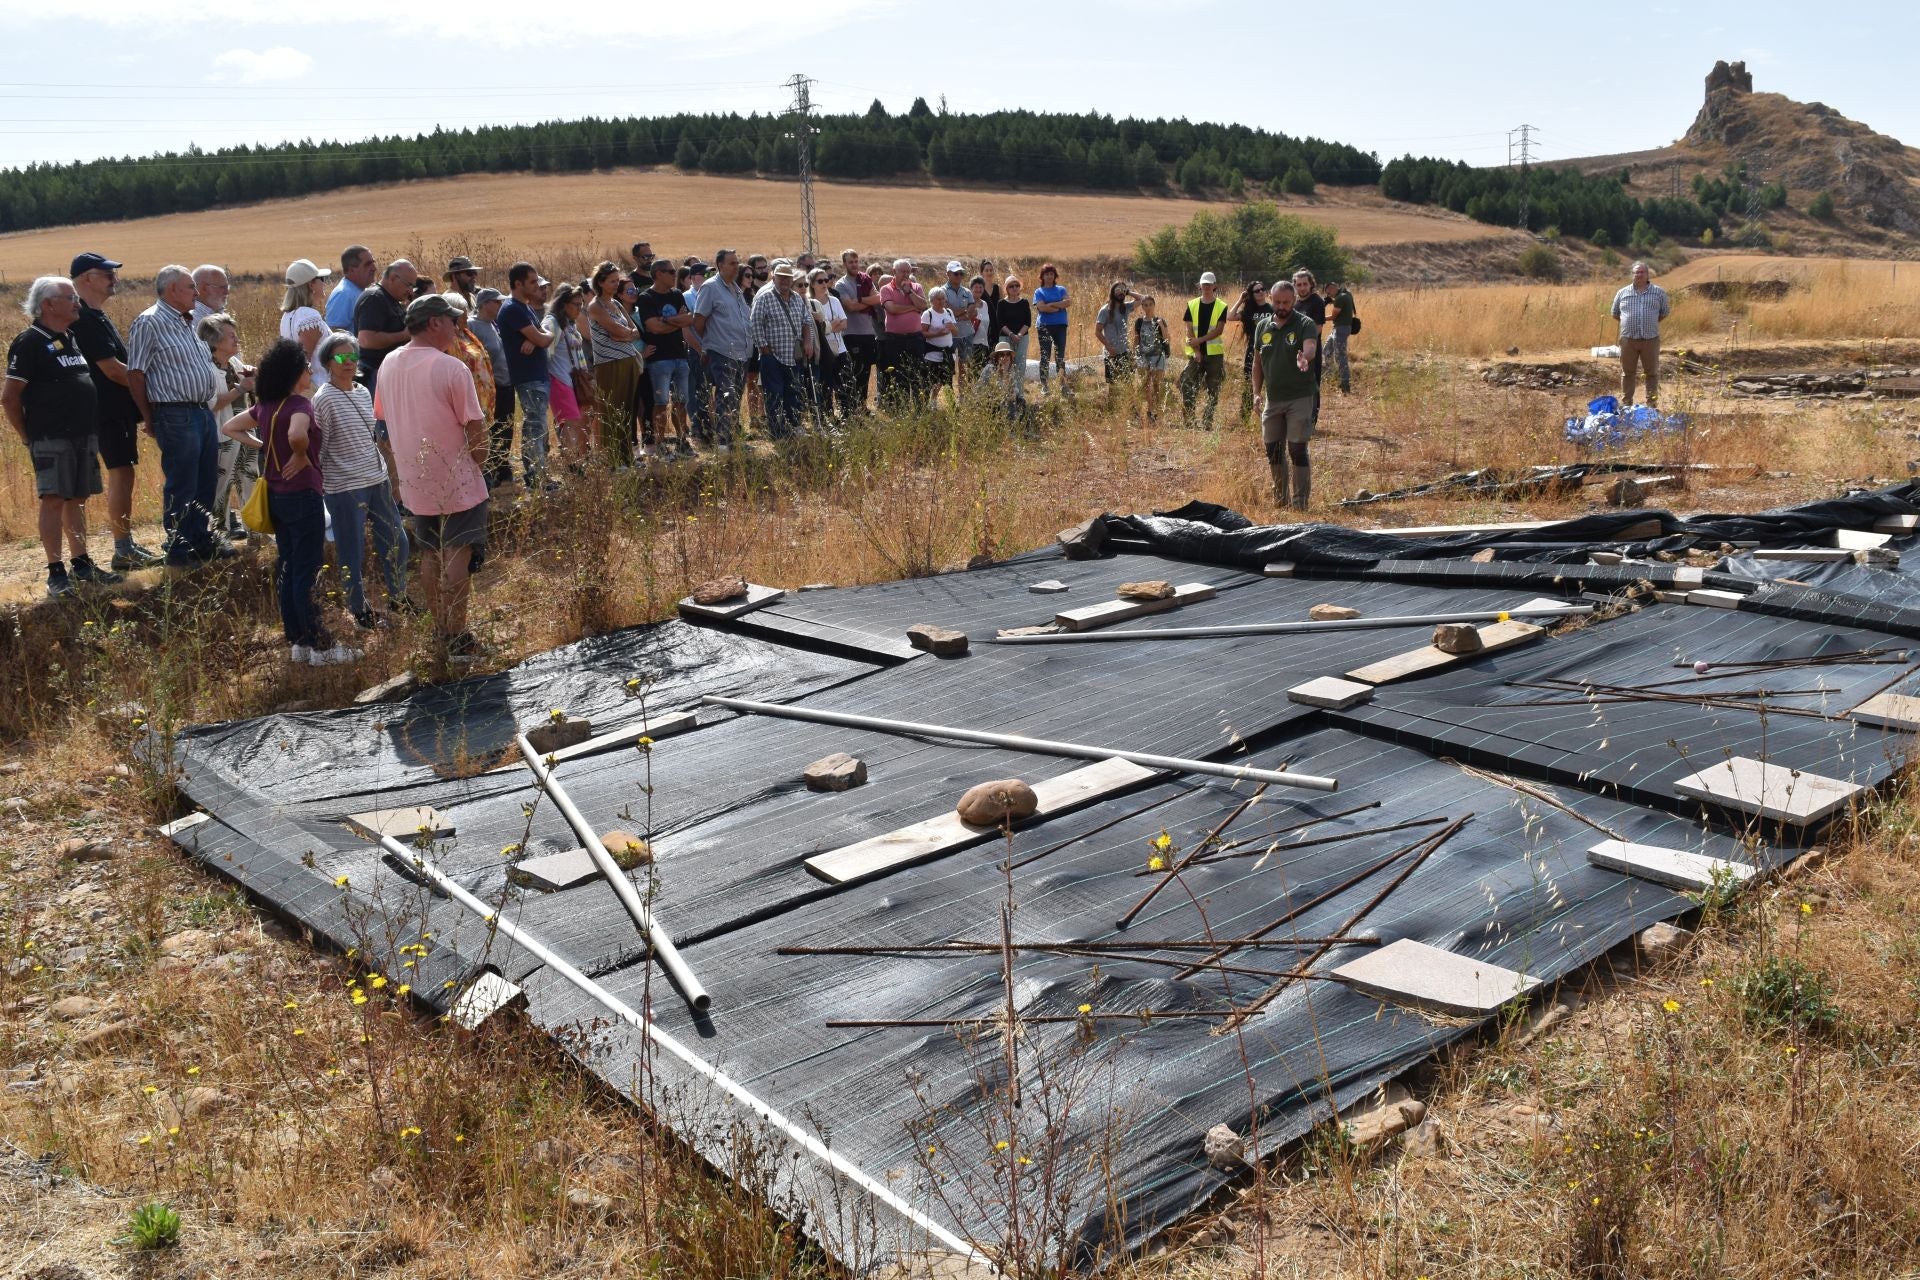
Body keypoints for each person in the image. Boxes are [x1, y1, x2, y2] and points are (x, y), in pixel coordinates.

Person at [221, 339, 357, 666]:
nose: (311, 372)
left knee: (289, 566)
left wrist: (265, 446)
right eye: (307, 367)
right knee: (306, 571)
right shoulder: (299, 405)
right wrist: (298, 454)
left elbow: (230, 426)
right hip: (302, 494)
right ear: (295, 374)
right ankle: (321, 646)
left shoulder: (266, 406)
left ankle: (298, 642)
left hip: (277, 497)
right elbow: (297, 434)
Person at [374, 294, 488, 658]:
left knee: (429, 553)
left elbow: (383, 419)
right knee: (457, 553)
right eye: (452, 320)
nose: (457, 326)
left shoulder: (388, 363)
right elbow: (475, 428)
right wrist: (480, 463)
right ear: (435, 323)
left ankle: (441, 631)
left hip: (414, 478)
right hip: (456, 476)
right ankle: (458, 638)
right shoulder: (451, 368)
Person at [4, 276, 123, 596]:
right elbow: (10, 397)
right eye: (70, 297)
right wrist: (29, 437)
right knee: (54, 499)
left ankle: (82, 564)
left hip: (83, 433)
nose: (77, 302)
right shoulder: (30, 341)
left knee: (78, 498)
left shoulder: (69, 337)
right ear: (48, 305)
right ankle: (56, 573)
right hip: (51, 436)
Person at [127, 264, 227, 566]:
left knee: (205, 480)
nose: (196, 293)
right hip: (175, 412)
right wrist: (149, 416)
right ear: (172, 290)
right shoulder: (149, 322)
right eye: (190, 287)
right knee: (183, 482)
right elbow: (135, 373)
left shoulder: (188, 322)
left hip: (201, 411)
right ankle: (179, 548)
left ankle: (200, 540)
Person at [69, 252, 162, 571]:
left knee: (123, 471)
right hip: (106, 410)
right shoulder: (84, 318)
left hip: (109, 409)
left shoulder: (94, 315)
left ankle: (125, 545)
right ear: (86, 279)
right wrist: (154, 392)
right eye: (107, 274)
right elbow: (113, 369)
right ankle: (123, 548)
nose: (114, 279)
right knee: (121, 472)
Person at [312, 331, 409, 631]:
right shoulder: (323, 399)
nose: (349, 361)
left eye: (353, 355)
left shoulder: (364, 391)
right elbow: (319, 449)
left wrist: (392, 476)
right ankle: (358, 608)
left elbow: (374, 437)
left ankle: (398, 597)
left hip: (377, 478)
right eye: (341, 356)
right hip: (345, 486)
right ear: (328, 362)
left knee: (398, 541)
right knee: (351, 551)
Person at [1250, 280, 1320, 511]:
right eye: (1278, 302)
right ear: (1271, 299)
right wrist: (1256, 393)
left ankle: (1300, 504)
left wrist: (1305, 358)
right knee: (1273, 449)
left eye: (1286, 302)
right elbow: (1257, 363)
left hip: (1299, 397)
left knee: (1297, 449)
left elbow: (1311, 347)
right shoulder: (1262, 327)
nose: (1281, 306)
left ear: (1293, 301)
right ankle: (1281, 500)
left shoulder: (1304, 324)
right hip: (1273, 399)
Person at [196, 312, 259, 541]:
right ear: (214, 340)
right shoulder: (206, 368)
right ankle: (218, 538)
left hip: (245, 431)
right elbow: (211, 404)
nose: (236, 339)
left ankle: (256, 532)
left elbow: (249, 383)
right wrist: (241, 389)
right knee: (221, 487)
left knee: (251, 479)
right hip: (221, 435)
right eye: (231, 335)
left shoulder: (233, 363)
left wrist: (253, 376)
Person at [636, 259, 698, 456]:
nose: (674, 275)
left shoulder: (677, 294)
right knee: (660, 403)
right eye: (671, 272)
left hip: (680, 356)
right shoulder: (646, 298)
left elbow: (689, 319)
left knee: (681, 402)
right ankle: (660, 443)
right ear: (658, 274)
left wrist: (665, 319)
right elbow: (653, 327)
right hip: (659, 359)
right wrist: (676, 321)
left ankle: (681, 441)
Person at [499, 262, 553, 485]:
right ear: (518, 284)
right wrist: (538, 338)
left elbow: (546, 335)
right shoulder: (512, 309)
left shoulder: (525, 307)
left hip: (537, 375)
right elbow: (544, 338)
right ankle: (535, 479)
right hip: (528, 377)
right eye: (532, 282)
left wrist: (539, 337)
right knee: (534, 427)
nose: (537, 285)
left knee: (539, 426)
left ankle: (540, 476)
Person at [584, 262, 642, 465]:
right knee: (611, 411)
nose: (616, 284)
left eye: (618, 280)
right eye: (612, 281)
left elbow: (635, 331)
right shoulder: (596, 306)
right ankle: (613, 460)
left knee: (627, 411)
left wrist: (624, 336)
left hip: (628, 360)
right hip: (609, 364)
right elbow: (618, 330)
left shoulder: (616, 303)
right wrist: (624, 334)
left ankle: (626, 457)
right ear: (600, 282)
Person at [750, 262, 815, 440]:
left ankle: (794, 425)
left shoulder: (797, 298)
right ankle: (777, 431)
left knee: (793, 393)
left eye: (788, 277)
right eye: (781, 277)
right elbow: (755, 323)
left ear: (792, 279)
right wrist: (764, 348)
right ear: (774, 277)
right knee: (774, 395)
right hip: (772, 356)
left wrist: (808, 341)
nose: (785, 281)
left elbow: (807, 322)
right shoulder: (764, 297)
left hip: (794, 356)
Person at [695, 249, 753, 447]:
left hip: (742, 352)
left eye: (737, 263)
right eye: (732, 263)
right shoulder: (710, 287)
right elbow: (698, 321)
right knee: (725, 395)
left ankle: (732, 439)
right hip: (722, 351)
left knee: (735, 397)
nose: (737, 267)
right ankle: (722, 442)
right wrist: (710, 343)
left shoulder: (736, 288)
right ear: (720, 265)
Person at [468, 287, 515, 486]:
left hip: (505, 384)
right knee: (491, 428)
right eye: (497, 302)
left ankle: (502, 467)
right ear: (485, 304)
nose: (500, 305)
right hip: (488, 389)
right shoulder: (472, 325)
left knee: (506, 426)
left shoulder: (494, 324)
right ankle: (490, 471)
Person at [353, 258, 415, 396]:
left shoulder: (389, 298)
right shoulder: (374, 298)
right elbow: (367, 340)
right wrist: (404, 335)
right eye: (408, 285)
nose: (410, 290)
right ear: (392, 278)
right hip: (375, 373)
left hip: (385, 372)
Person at [543, 283, 590, 464]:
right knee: (570, 424)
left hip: (572, 382)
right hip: (560, 381)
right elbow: (545, 353)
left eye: (581, 304)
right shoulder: (552, 323)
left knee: (576, 423)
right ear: (563, 304)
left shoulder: (570, 323)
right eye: (576, 305)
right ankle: (572, 466)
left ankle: (575, 462)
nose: (580, 309)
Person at [1612, 261, 1670, 407]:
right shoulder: (1622, 292)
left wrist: (1649, 323)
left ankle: (1651, 406)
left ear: (1647, 274)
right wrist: (1629, 324)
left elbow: (1664, 313)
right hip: (1628, 340)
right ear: (1632, 274)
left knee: (1652, 373)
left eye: (1642, 272)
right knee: (1627, 373)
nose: (1639, 274)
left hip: (1650, 339)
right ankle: (1626, 404)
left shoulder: (1659, 292)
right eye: (1636, 272)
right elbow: (1615, 313)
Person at [1179, 272, 1229, 429]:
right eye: (1204, 284)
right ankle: (1189, 421)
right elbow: (1189, 330)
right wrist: (1197, 351)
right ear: (1199, 285)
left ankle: (1208, 421)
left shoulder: (1222, 306)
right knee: (1187, 384)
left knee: (1213, 388)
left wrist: (1199, 341)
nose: (1206, 286)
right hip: (1195, 354)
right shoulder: (1192, 304)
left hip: (1214, 355)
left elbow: (1218, 330)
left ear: (1214, 286)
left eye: (1209, 284)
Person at [832, 250, 879, 414]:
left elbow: (878, 299)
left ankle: (862, 406)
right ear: (844, 264)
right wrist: (868, 302)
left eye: (856, 261)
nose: (854, 265)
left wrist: (859, 300)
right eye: (850, 262)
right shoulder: (841, 284)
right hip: (851, 335)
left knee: (866, 373)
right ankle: (851, 408)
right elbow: (850, 307)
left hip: (868, 333)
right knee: (854, 373)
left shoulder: (866, 280)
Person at [877, 259, 926, 409]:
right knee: (898, 375)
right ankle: (902, 408)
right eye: (902, 271)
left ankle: (919, 408)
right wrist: (912, 308)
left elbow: (922, 305)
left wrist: (909, 292)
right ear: (894, 272)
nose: (906, 274)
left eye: (908, 272)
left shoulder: (916, 287)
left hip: (915, 338)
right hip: (895, 339)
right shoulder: (886, 289)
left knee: (917, 374)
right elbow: (892, 309)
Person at [279, 258, 333, 379]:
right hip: (317, 384)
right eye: (321, 279)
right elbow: (303, 363)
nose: (324, 283)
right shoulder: (309, 316)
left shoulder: (287, 316)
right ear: (311, 284)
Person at [808, 267, 849, 424]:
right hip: (822, 352)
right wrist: (832, 324)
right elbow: (814, 330)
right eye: (820, 281)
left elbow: (844, 324)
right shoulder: (809, 304)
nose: (825, 283)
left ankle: (846, 416)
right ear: (812, 284)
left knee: (844, 386)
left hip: (840, 350)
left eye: (827, 279)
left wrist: (826, 326)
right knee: (826, 387)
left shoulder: (834, 301)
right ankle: (830, 418)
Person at [1229, 282, 1271, 419]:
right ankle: (1245, 417)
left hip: (1271, 351)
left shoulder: (1272, 309)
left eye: (1262, 289)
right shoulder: (1249, 311)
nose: (1260, 292)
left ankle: (1270, 415)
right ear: (1251, 295)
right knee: (1249, 383)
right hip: (1253, 351)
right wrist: (1240, 300)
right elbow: (1230, 316)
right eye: (1257, 291)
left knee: (1271, 383)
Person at [1132, 295, 1170, 425]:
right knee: (1145, 385)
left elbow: (1167, 339)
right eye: (1145, 305)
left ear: (1154, 305)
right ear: (1142, 306)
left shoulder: (1160, 320)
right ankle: (1149, 412)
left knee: (1156, 385)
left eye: (1150, 304)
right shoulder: (1139, 322)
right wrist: (1134, 355)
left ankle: (1158, 413)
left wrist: (1161, 326)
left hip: (1157, 357)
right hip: (1143, 357)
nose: (1148, 307)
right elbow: (1136, 339)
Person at [943, 262, 981, 392]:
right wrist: (964, 312)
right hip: (950, 335)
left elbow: (972, 311)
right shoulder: (942, 291)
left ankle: (962, 396)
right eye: (956, 273)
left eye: (961, 273)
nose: (959, 276)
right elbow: (947, 310)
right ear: (948, 274)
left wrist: (956, 315)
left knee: (965, 367)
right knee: (948, 367)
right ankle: (948, 395)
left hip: (966, 334)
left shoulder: (967, 291)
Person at [1032, 263, 1070, 393]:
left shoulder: (1061, 289)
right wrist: (1059, 307)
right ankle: (1045, 385)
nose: (1049, 276)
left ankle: (1062, 384)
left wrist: (1051, 304)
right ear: (1042, 276)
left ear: (1055, 276)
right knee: (1045, 355)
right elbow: (1042, 307)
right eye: (1046, 274)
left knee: (1060, 355)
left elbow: (1068, 302)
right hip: (1044, 326)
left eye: (1051, 274)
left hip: (1060, 325)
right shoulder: (1038, 291)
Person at [1094, 281, 1139, 389]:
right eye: (1118, 289)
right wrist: (1109, 347)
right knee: (1113, 387)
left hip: (1125, 352)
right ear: (1112, 292)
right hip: (1111, 354)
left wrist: (1128, 292)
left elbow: (1142, 299)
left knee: (1129, 385)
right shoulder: (1105, 310)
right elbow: (1097, 332)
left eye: (1123, 290)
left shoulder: (1126, 307)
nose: (1120, 292)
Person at [920, 286, 958, 404]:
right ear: (931, 300)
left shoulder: (949, 312)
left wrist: (952, 327)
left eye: (943, 298)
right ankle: (925, 405)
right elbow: (922, 333)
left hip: (948, 354)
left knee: (945, 381)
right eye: (938, 299)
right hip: (932, 354)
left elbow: (956, 332)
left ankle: (936, 402)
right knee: (930, 381)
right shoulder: (928, 314)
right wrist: (937, 333)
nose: (942, 301)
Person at [979, 339, 1031, 427]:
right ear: (997, 357)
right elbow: (987, 391)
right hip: (989, 402)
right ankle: (1008, 427)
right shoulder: (990, 369)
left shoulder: (1010, 371)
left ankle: (1021, 428)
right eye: (1002, 355)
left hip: (1005, 401)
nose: (1005, 357)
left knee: (1021, 401)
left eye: (1008, 355)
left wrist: (1006, 372)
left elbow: (1014, 392)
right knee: (1002, 401)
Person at [327, 246, 376, 331]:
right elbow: (335, 333)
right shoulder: (343, 294)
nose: (374, 268)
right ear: (351, 270)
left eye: (373, 263)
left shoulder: (356, 290)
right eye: (367, 264)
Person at [996, 275, 1033, 389]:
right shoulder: (1001, 303)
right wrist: (1011, 335)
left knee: (1020, 364)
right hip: (1006, 337)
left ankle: (1019, 392)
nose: (1015, 288)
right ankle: (1005, 391)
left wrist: (1019, 335)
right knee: (1005, 364)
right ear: (1006, 288)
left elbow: (1027, 322)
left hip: (1022, 337)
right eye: (1011, 286)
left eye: (1017, 285)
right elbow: (1000, 323)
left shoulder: (1024, 302)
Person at [1323, 278, 1357, 394]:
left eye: (1328, 293)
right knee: (1327, 351)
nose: (1329, 295)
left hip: (1341, 329)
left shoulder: (1340, 298)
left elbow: (1333, 316)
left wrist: (1319, 318)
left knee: (1340, 356)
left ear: (1332, 289)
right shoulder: (1346, 294)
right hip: (1339, 328)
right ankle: (1332, 376)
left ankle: (1345, 383)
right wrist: (1332, 301)